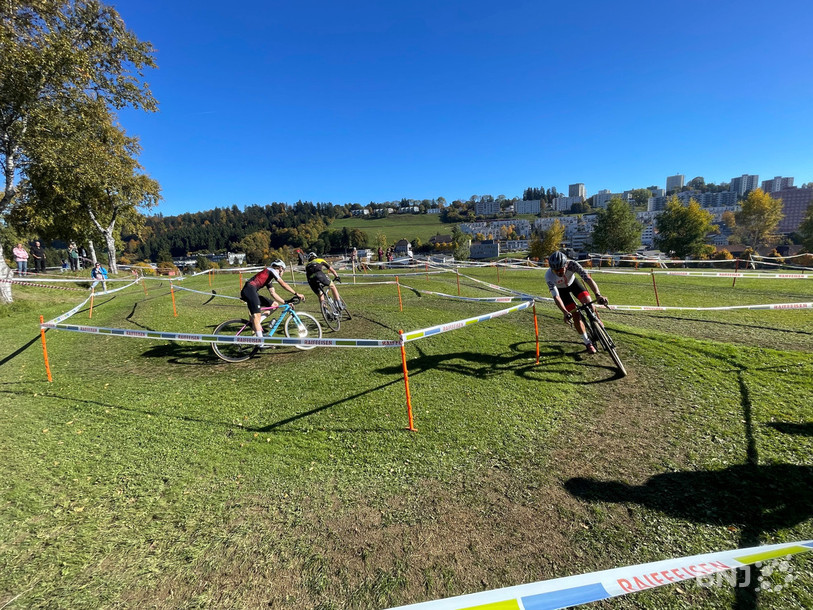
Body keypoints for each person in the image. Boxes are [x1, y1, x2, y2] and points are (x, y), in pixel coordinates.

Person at [545, 250, 609, 354]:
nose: (559, 273)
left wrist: (598, 295)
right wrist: (565, 312)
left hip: (573, 284)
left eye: (560, 269)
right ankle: (587, 342)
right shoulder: (549, 276)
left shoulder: (572, 265)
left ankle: (596, 320)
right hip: (561, 291)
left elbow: (587, 279)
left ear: (566, 265)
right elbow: (556, 296)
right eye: (556, 271)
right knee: (575, 314)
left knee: (588, 301)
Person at [240, 259, 304, 338]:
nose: (283, 272)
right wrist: (296, 293)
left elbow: (273, 293)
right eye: (284, 270)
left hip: (251, 291)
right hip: (249, 290)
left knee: (274, 305)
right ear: (281, 268)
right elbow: (283, 284)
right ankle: (260, 341)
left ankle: (257, 323)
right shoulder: (272, 270)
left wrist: (285, 302)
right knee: (256, 315)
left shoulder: (269, 277)